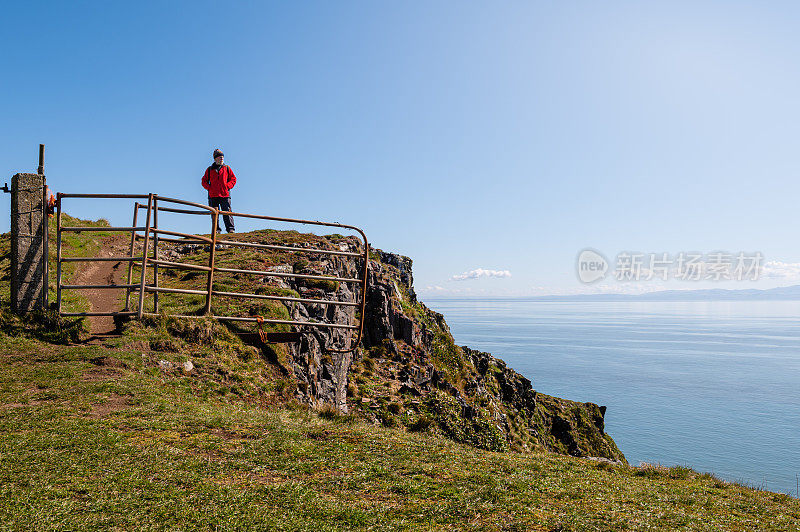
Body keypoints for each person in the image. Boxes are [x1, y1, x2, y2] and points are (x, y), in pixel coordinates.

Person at [201, 148, 237, 233]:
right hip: (213, 195)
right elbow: (203, 181)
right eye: (220, 157)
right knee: (214, 214)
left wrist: (227, 186)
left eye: (222, 157)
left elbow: (233, 179)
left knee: (227, 212)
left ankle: (230, 229)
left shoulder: (227, 168)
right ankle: (216, 230)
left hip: (225, 194)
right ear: (215, 158)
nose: (222, 159)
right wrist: (209, 188)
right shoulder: (209, 169)